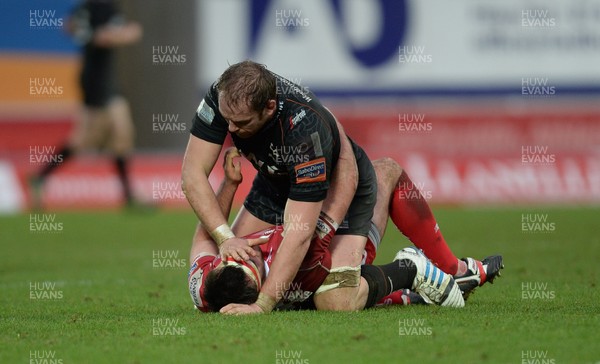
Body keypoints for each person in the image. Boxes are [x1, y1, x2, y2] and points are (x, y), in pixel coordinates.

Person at [182, 60, 380, 313]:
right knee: (333, 299)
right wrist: (263, 302)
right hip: (289, 182)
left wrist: (227, 240)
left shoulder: (305, 128)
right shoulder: (226, 99)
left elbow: (203, 235)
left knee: (331, 297)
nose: (230, 129)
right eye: (244, 262)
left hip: (332, 173)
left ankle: (385, 178)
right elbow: (191, 176)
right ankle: (406, 272)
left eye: (240, 122)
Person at [188, 148, 465, 313]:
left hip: (307, 245)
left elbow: (203, 237)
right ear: (261, 285)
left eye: (234, 256)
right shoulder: (294, 260)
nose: (246, 252)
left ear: (219, 265)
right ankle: (411, 269)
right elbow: (326, 221)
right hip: (331, 251)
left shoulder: (202, 288)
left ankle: (412, 292)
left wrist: (230, 184)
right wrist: (344, 177)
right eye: (251, 260)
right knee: (385, 170)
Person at [31, 0, 142, 208]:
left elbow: (132, 32)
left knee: (122, 134)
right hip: (94, 82)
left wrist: (115, 35)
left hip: (109, 82)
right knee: (83, 141)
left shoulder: (106, 8)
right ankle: (40, 177)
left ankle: (128, 195)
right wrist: (113, 35)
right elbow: (100, 36)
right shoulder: (89, 9)